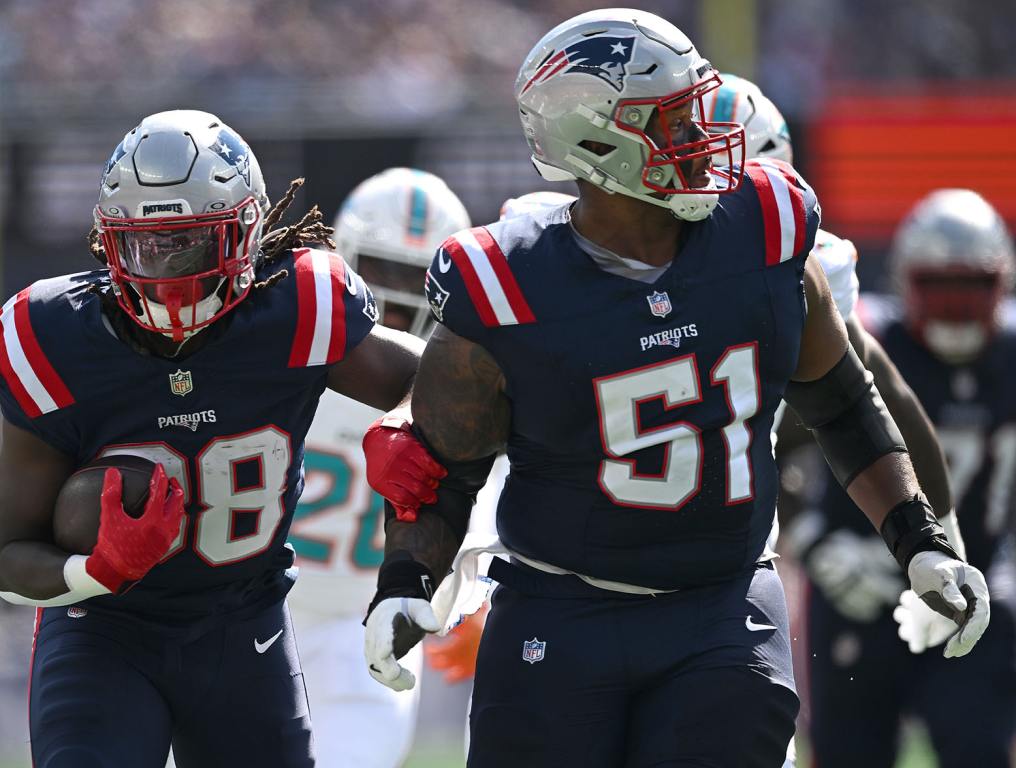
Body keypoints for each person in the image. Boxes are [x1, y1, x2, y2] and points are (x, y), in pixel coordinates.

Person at [361, 9, 990, 767]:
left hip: (721, 609)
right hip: (561, 607)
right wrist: (404, 579)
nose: (706, 133)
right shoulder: (508, 281)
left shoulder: (769, 225)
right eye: (676, 119)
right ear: (595, 142)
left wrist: (921, 541)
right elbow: (447, 462)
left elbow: (844, 400)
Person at [0, 111, 438, 768]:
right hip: (104, 630)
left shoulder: (299, 306)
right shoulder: (53, 337)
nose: (169, 270)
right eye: (147, 243)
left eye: (193, 243)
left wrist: (405, 430)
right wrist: (92, 571)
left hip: (243, 624)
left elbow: (438, 381)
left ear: (248, 231)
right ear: (107, 242)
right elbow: (6, 552)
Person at [700, 73, 964, 767]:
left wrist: (937, 544)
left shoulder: (812, 272)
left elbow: (870, 402)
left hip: (724, 572)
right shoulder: (606, 263)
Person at [800, 189, 1016, 768]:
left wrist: (1004, 570)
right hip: (859, 579)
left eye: (972, 289)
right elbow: (771, 448)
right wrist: (818, 545)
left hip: (975, 586)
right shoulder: (867, 341)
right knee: (849, 753)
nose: (956, 308)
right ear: (904, 281)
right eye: (940, 288)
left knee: (978, 746)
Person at [285, 167, 470, 768]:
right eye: (385, 270)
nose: (402, 297)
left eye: (417, 277)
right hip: (250, 608)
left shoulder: (463, 387)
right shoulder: (288, 355)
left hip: (364, 628)